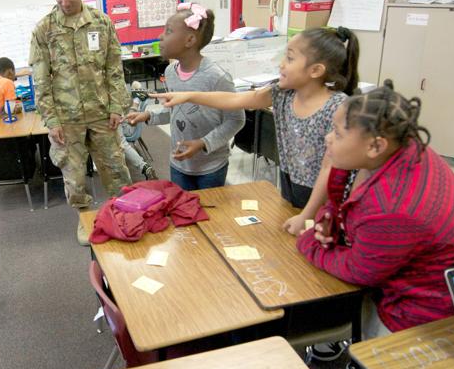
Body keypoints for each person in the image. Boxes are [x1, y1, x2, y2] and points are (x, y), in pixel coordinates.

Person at [298, 81, 454, 339]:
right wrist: (330, 218)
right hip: (450, 274)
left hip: (426, 311)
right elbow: (346, 200)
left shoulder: (392, 209)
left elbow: (359, 271)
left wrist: (310, 244)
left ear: (375, 146)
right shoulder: (407, 147)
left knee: (376, 365)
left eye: (338, 134)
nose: (328, 139)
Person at [152, 27, 360, 232]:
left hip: (324, 196)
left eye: (289, 58)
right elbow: (236, 99)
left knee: (315, 242)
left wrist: (307, 214)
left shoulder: (337, 107)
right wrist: (189, 95)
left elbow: (329, 169)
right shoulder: (282, 93)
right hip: (292, 185)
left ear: (316, 70)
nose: (281, 64)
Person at [29, 0, 131, 246]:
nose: (64, 2)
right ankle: (86, 219)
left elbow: (113, 68)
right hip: (66, 117)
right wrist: (51, 121)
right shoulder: (45, 30)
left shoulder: (101, 23)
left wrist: (116, 107)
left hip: (101, 111)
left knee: (115, 168)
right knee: (74, 176)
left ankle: (121, 214)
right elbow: (40, 79)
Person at [126, 3, 245, 190]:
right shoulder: (170, 72)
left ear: (189, 40)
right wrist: (148, 116)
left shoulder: (217, 77)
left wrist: (203, 143)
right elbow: (176, 111)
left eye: (168, 31)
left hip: (211, 168)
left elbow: (236, 120)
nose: (160, 36)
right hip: (178, 165)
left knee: (210, 216)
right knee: (181, 211)